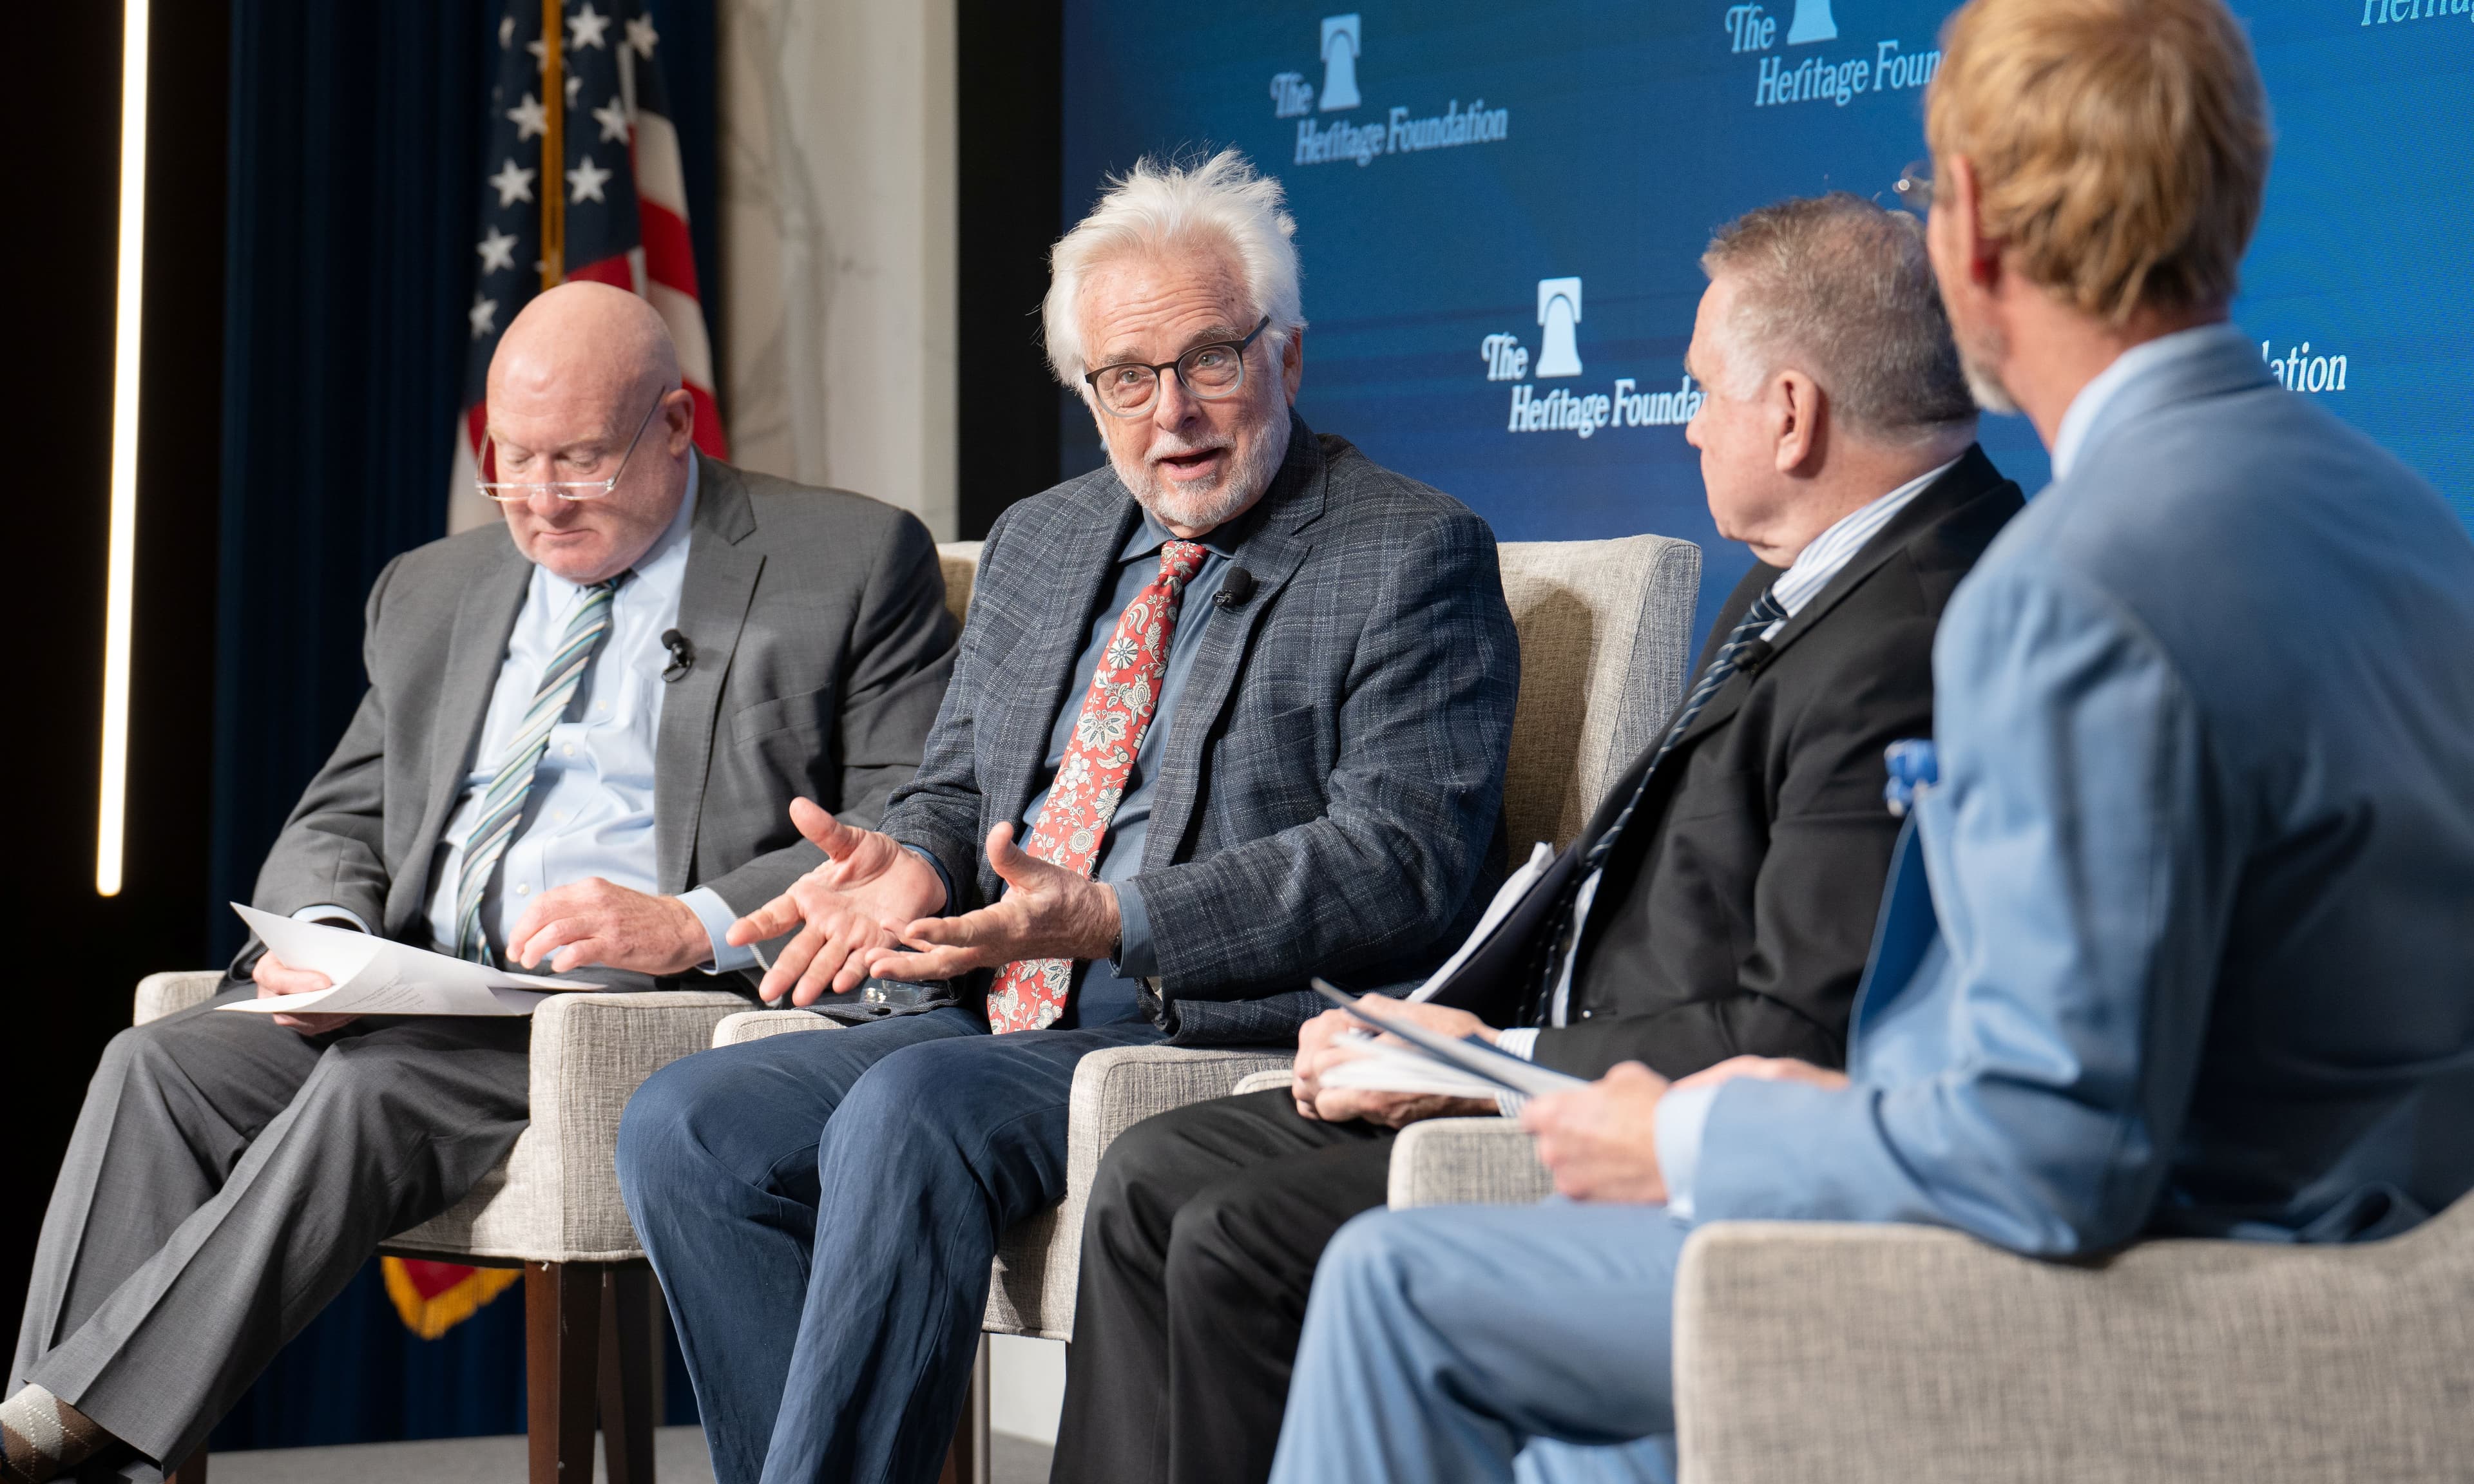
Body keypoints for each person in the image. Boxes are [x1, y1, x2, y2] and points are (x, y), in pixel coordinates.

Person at [1263, 0, 2474, 1479]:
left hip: (2167, 1291)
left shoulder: (2073, 584)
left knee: (1402, 1292)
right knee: (1593, 1455)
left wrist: (1695, 1142)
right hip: (2383, 1276)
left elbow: (2050, 1155)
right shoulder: (2414, 526)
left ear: (1967, 234)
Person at [1050, 193, 2024, 1484]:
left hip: (1648, 1114)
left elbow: (1794, 1035)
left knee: (1238, 1234)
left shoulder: (1912, 634)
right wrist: (1426, 1027)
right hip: (1557, 1052)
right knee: (1154, 1170)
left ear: (1790, 414)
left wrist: (1492, 1067)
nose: (1685, 424)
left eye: (1700, 391)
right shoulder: (1819, 569)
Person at [613, 148, 1520, 1484]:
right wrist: (910, 860)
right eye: (1127, 379)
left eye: (1212, 359)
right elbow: (956, 788)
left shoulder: (1409, 552)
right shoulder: (1045, 541)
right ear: (1088, 394)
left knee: (910, 1108)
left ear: (1288, 357)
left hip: (1195, 1025)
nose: (1175, 414)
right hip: (977, 1011)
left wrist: (1111, 918)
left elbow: (1403, 864)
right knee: (685, 1124)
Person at [0, 281, 958, 1484]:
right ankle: (72, 1443)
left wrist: (687, 921)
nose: (542, 501)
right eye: (514, 463)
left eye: (582, 462)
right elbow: (342, 813)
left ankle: (58, 1433)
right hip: (425, 987)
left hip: (640, 1009)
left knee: (378, 1088)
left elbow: (905, 818)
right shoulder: (432, 589)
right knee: (156, 1064)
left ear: (675, 424)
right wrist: (340, 939)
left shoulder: (849, 560)